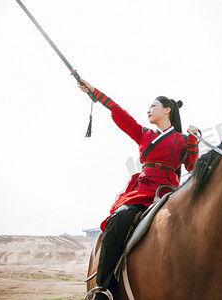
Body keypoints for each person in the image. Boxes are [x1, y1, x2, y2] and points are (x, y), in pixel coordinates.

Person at [78, 79, 199, 299]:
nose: (148, 110)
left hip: (168, 192)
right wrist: (94, 92)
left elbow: (191, 165)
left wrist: (193, 141)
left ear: (167, 109)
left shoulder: (182, 139)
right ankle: (102, 289)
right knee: (119, 218)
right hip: (141, 191)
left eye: (153, 106)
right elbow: (117, 111)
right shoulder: (144, 134)